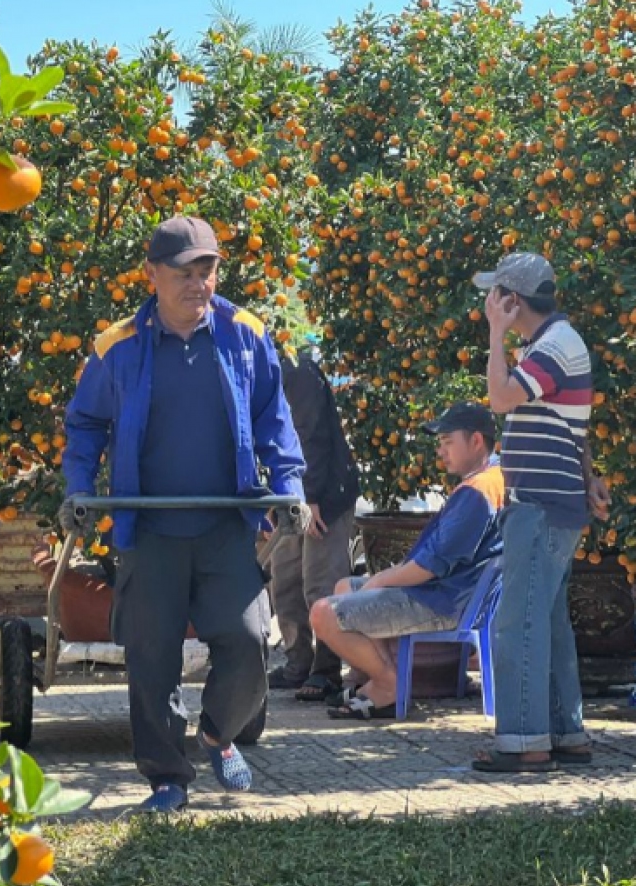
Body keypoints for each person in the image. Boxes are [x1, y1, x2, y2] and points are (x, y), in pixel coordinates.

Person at [60, 216, 307, 813]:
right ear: (152, 275)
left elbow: (276, 419)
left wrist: (290, 484)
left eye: (208, 270)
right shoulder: (115, 346)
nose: (199, 284)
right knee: (151, 662)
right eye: (185, 272)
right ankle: (168, 780)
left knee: (249, 645)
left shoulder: (245, 333)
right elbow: (85, 425)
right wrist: (77, 489)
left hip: (228, 526)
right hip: (149, 530)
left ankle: (219, 734)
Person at [471, 252, 609, 772]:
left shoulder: (551, 345)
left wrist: (495, 335)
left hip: (540, 508)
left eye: (495, 295)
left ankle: (525, 743)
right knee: (546, 622)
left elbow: (501, 399)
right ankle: (565, 734)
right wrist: (587, 477)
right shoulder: (552, 344)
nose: (488, 302)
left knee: (519, 624)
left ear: (512, 299)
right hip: (553, 503)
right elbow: (570, 425)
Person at [311, 402, 504, 720]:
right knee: (345, 586)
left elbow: (428, 569)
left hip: (441, 600)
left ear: (476, 441)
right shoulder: (494, 479)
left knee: (323, 614)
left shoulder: (478, 491)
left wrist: (378, 582)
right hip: (454, 595)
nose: (441, 452)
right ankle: (371, 681)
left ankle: (389, 686)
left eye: (447, 442)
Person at [267, 346, 361, 702]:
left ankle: (327, 670)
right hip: (285, 497)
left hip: (321, 493)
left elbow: (311, 436)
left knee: (320, 583)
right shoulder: (251, 371)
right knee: (285, 581)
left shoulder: (295, 369)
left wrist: (310, 498)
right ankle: (298, 663)